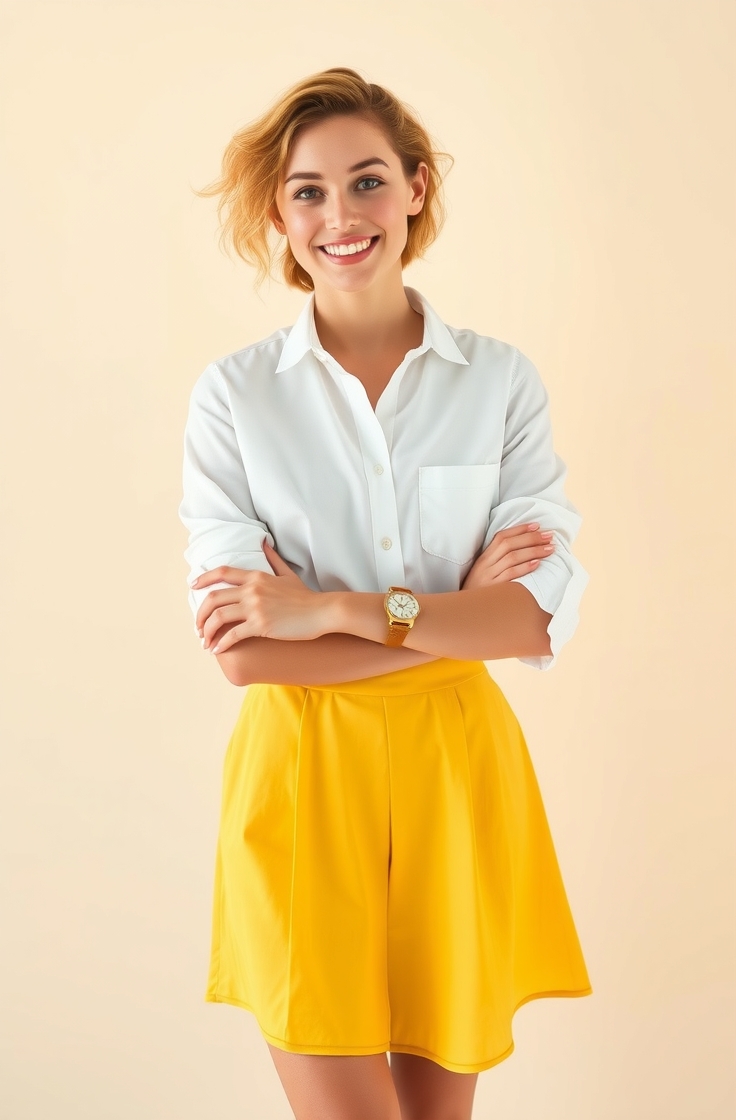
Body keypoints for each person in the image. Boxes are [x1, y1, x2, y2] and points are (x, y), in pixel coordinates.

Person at [179, 67, 592, 1120]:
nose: (340, 215)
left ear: (414, 188)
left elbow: (532, 611)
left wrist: (333, 607)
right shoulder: (234, 397)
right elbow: (244, 652)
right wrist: (447, 616)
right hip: (303, 776)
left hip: (456, 773)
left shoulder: (498, 381)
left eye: (366, 181)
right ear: (278, 213)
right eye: (307, 191)